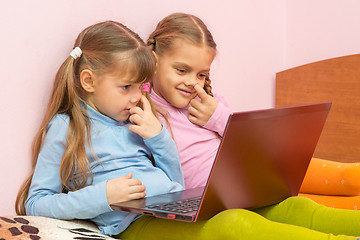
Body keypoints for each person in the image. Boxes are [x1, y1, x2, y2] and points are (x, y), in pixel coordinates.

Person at [118, 13, 360, 240]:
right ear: (153, 60)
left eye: (202, 74)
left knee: (297, 205)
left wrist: (220, 117)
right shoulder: (142, 109)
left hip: (236, 194)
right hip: (202, 204)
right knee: (238, 222)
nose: (193, 82)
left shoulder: (208, 103)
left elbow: (253, 146)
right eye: (182, 70)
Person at [15, 20, 184, 236]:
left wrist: (159, 137)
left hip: (170, 212)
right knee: (234, 225)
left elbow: (178, 188)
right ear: (89, 81)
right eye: (126, 87)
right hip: (134, 223)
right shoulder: (66, 127)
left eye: (141, 86)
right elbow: (36, 204)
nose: (138, 97)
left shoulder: (139, 121)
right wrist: (104, 197)